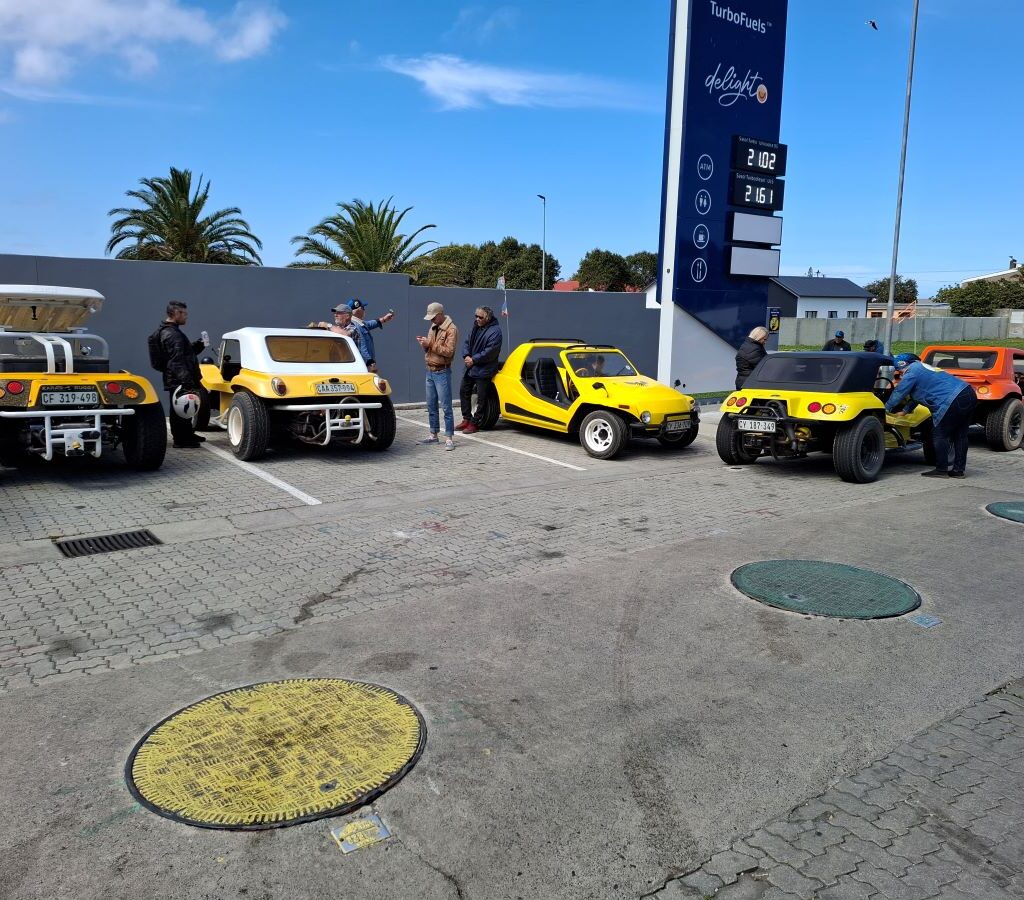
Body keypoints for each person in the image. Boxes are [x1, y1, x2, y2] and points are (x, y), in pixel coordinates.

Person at [885, 352, 978, 478]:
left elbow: (899, 392)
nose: (900, 375)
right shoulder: (922, 368)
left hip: (951, 400)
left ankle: (941, 470)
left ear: (902, 365)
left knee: (940, 434)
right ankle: (958, 471)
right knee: (960, 435)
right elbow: (917, 395)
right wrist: (905, 411)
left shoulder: (911, 372)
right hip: (968, 393)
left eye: (899, 372)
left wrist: (885, 408)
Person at [152, 301, 208, 449]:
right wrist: (186, 381)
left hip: (179, 377)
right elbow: (176, 361)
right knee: (180, 409)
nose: (186, 317)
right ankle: (181, 439)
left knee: (185, 408)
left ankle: (188, 434)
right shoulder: (171, 334)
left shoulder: (172, 331)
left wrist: (199, 344)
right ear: (176, 313)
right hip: (179, 379)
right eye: (184, 314)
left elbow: (185, 354)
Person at [415, 301, 459, 450]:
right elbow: (430, 351)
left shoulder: (451, 329)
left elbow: (449, 352)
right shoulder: (433, 326)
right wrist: (424, 345)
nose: (432, 320)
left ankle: (449, 438)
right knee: (431, 405)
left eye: (433, 318)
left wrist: (430, 344)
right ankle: (433, 435)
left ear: (440, 314)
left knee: (446, 406)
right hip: (430, 370)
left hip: (442, 371)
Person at [457, 306, 502, 434]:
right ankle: (466, 419)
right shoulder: (475, 327)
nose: (477, 319)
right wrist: (466, 355)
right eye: (476, 316)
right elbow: (466, 343)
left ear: (487, 318)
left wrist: (474, 359)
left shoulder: (495, 332)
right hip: (470, 367)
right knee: (463, 391)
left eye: (480, 317)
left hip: (484, 369)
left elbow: (491, 351)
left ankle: (475, 423)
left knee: (482, 398)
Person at [347, 298, 395, 373]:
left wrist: (384, 319)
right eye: (363, 308)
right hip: (364, 365)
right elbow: (362, 346)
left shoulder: (358, 323)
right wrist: (370, 363)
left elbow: (369, 324)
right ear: (358, 310)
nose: (364, 310)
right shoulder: (355, 326)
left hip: (363, 364)